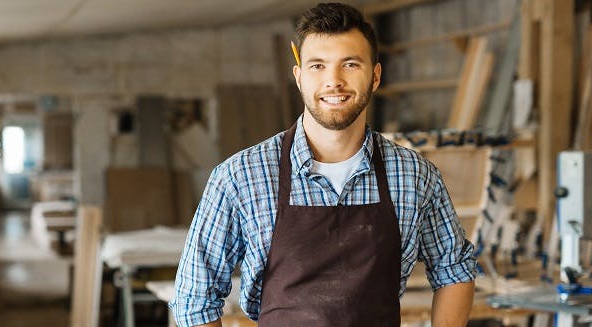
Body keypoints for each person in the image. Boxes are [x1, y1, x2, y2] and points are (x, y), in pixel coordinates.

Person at [169, 3, 476, 326]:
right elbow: (195, 298)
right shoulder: (241, 177)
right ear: (299, 77)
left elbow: (454, 270)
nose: (334, 81)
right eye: (318, 66)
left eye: (350, 64)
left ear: (375, 76)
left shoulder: (414, 176)